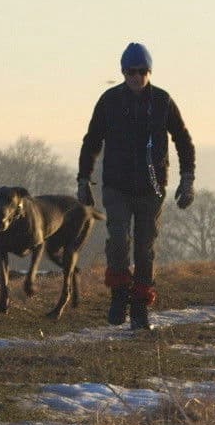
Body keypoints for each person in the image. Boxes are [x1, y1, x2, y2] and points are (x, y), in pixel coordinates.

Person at [77, 42, 196, 330]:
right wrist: (83, 179)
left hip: (151, 188)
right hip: (116, 185)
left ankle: (141, 305)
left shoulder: (163, 102)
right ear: (123, 72)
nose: (137, 77)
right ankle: (119, 295)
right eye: (131, 72)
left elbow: (182, 139)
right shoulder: (109, 101)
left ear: (149, 72)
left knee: (145, 248)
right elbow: (92, 140)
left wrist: (187, 179)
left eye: (142, 71)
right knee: (118, 240)